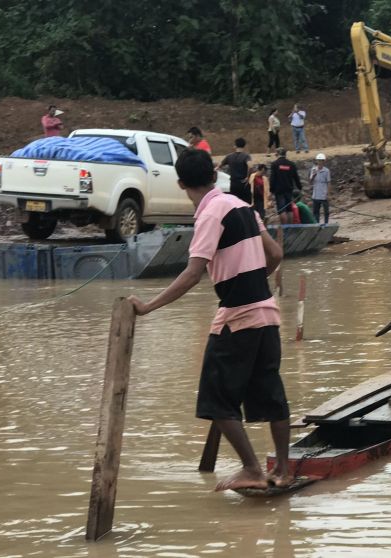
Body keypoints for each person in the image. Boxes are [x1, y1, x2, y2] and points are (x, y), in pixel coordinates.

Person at [126, 148, 291, 491]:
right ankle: (283, 470)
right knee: (271, 394)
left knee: (215, 400)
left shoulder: (209, 214)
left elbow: (192, 274)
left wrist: (147, 307)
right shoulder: (242, 206)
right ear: (215, 176)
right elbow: (275, 253)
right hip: (267, 312)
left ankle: (252, 469)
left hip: (238, 317)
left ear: (181, 184)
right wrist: (254, 278)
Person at [269, 148, 302, 225]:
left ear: (277, 154)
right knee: (289, 209)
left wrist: (271, 190)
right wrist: (299, 187)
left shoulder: (275, 164)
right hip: (289, 189)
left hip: (279, 191)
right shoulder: (291, 164)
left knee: (282, 210)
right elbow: (296, 177)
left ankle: (284, 227)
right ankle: (290, 227)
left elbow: (272, 178)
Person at [218, 138, 252, 204]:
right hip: (243, 183)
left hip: (233, 183)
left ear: (235, 146)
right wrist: (247, 177)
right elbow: (250, 166)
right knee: (246, 203)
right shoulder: (246, 156)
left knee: (235, 203)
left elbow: (219, 166)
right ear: (244, 146)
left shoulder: (229, 156)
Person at [309, 153, 331, 224]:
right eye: (318, 160)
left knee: (326, 212)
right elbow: (310, 181)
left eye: (321, 160)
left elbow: (328, 182)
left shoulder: (326, 171)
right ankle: (317, 224)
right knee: (316, 212)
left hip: (324, 194)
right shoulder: (313, 169)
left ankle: (326, 224)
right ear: (317, 161)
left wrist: (328, 194)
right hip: (316, 195)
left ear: (323, 161)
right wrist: (313, 175)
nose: (320, 162)